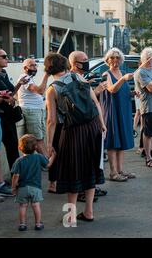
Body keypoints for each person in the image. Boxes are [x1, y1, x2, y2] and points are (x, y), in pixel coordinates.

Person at [45, 53, 106, 223]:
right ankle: (89, 212)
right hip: (92, 127)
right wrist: (102, 124)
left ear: (49, 69)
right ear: (65, 65)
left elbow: (51, 121)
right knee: (90, 168)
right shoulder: (78, 78)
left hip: (72, 132)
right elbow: (95, 102)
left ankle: (70, 216)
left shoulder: (52, 89)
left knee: (72, 172)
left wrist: (50, 144)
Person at [68, 51, 108, 199]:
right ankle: (80, 194)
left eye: (87, 59)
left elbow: (95, 102)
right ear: (74, 63)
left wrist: (102, 123)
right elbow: (89, 103)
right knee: (80, 163)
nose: (87, 62)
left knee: (90, 161)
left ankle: (88, 192)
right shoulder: (69, 79)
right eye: (84, 60)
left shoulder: (81, 78)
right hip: (76, 128)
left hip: (89, 125)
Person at [100, 48, 135, 182]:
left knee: (121, 140)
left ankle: (120, 170)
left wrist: (132, 94)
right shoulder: (106, 74)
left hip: (123, 110)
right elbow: (111, 89)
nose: (115, 60)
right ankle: (113, 172)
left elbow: (122, 91)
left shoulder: (122, 72)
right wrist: (123, 79)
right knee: (113, 141)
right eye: (112, 58)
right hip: (112, 110)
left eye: (118, 58)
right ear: (107, 60)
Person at [11, 134, 55, 231]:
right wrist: (53, 156)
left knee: (23, 206)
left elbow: (16, 176)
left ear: (20, 148)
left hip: (22, 188)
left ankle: (22, 224)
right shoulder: (38, 157)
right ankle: (38, 224)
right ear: (36, 147)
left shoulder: (19, 161)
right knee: (36, 205)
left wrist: (14, 187)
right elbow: (48, 165)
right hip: (36, 187)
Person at [0, 48, 29, 175]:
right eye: (3, 56)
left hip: (9, 115)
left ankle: (15, 175)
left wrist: (19, 84)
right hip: (0, 115)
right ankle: (13, 177)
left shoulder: (3, 73)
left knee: (13, 145)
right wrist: (2, 97)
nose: (7, 59)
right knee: (4, 147)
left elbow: (11, 93)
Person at [17, 59, 49, 155]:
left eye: (35, 65)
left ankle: (46, 160)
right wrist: (47, 75)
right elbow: (40, 90)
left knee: (41, 138)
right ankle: (47, 163)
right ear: (25, 68)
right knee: (37, 139)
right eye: (31, 65)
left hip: (38, 111)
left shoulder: (29, 78)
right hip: (32, 111)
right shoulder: (24, 77)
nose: (34, 68)